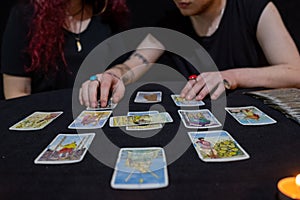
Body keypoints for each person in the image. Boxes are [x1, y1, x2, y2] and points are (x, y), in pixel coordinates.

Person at [79, 0, 300, 107]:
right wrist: (112, 76)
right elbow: (133, 64)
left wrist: (232, 77)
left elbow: (295, 72)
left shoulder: (255, 8)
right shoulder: (170, 22)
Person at [0, 0, 129, 99]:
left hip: (97, 115)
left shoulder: (106, 12)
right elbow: (15, 93)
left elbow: (126, 64)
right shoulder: (25, 16)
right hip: (47, 120)